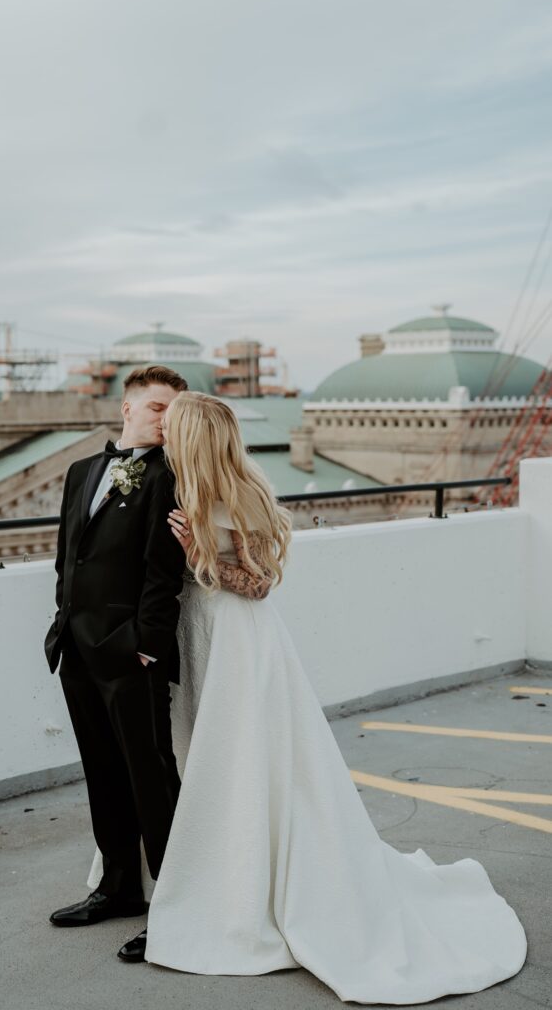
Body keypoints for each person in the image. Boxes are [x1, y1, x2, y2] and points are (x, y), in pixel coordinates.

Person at [111, 390, 528, 1004]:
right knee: (197, 753)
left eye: (171, 426)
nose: (162, 434)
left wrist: (204, 558)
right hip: (195, 638)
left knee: (244, 762)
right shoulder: (173, 487)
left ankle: (242, 889)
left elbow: (259, 584)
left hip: (240, 642)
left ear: (196, 435)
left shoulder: (240, 493)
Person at [43, 364, 188, 964]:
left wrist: (146, 642)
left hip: (132, 654)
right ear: (127, 408)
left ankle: (178, 906)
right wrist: (61, 626)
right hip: (76, 649)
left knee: (152, 780)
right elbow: (67, 558)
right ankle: (120, 887)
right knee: (103, 773)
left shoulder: (172, 475)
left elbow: (164, 571)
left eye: (175, 411)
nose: (166, 419)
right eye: (157, 407)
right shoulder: (82, 472)